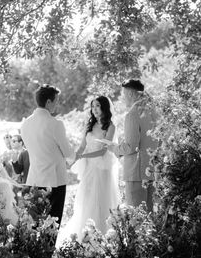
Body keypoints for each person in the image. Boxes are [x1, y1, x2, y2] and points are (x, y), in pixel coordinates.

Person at [57, 96, 120, 245]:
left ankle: (103, 236)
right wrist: (72, 159)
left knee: (100, 200)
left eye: (98, 106)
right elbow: (81, 147)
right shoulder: (89, 125)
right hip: (89, 169)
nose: (95, 109)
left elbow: (103, 152)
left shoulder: (110, 126)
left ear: (104, 107)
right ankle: (85, 236)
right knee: (86, 200)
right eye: (93, 107)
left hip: (102, 169)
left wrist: (83, 156)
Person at [21, 84, 75, 232]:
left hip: (34, 179)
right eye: (56, 100)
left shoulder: (25, 125)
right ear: (48, 102)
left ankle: (34, 253)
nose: (57, 104)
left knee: (34, 222)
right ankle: (47, 254)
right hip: (54, 179)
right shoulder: (55, 124)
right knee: (53, 221)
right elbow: (68, 152)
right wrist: (75, 158)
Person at [108, 79, 158, 212]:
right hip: (152, 171)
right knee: (149, 215)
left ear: (130, 94)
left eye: (123, 94)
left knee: (136, 216)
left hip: (136, 173)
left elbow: (131, 146)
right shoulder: (153, 112)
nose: (123, 98)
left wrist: (114, 148)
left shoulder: (132, 114)